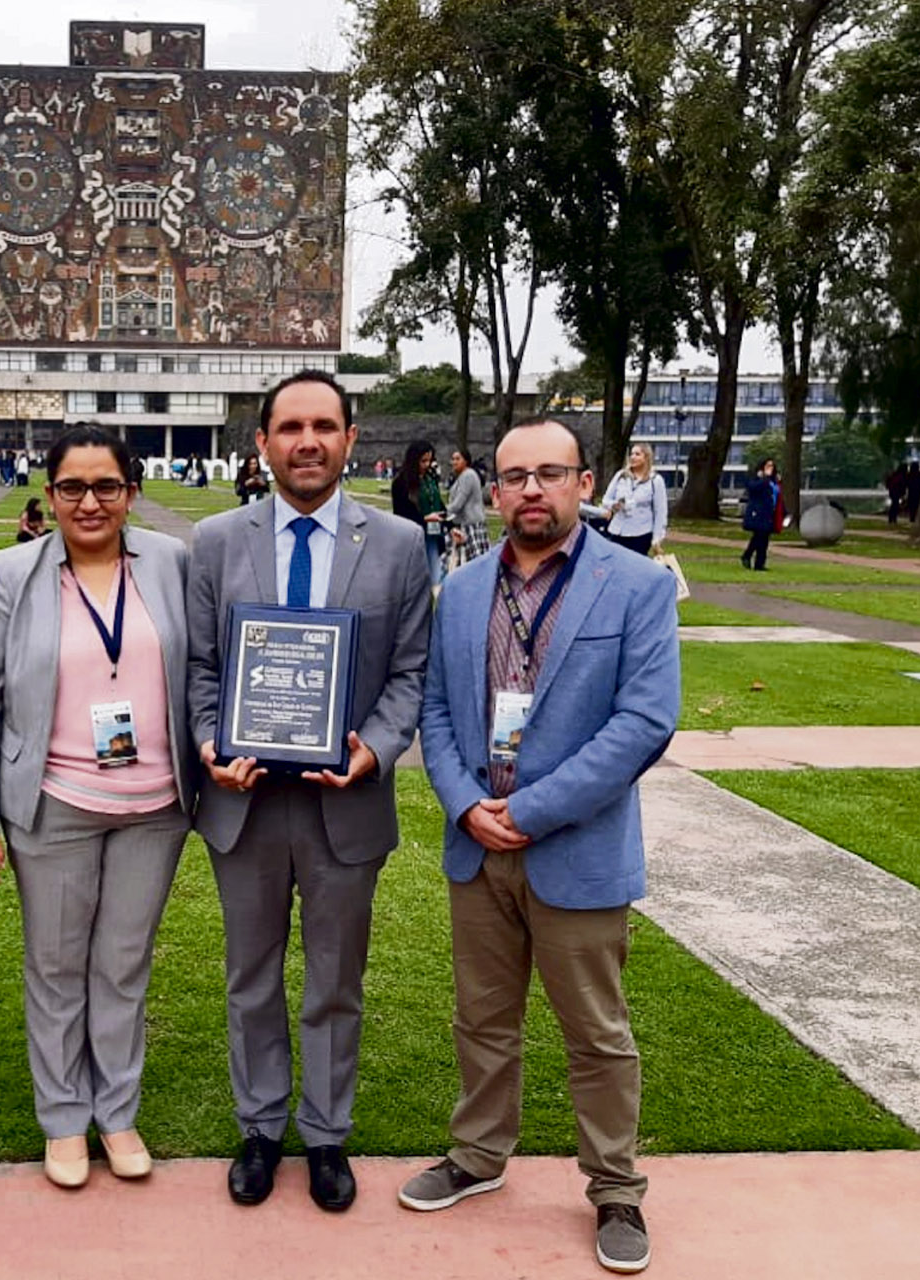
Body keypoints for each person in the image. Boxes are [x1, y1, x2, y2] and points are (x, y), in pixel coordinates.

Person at [404, 416, 678, 1275]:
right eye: (515, 475)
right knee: (482, 1018)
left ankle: (615, 1188)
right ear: (494, 491)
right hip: (478, 844)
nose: (531, 489)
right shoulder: (464, 590)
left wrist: (534, 809)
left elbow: (642, 724)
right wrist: (463, 803)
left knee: (596, 1031)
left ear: (584, 486)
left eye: (550, 474)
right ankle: (479, 1155)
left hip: (575, 846)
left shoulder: (635, 587)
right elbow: (438, 713)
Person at [187, 370, 432, 1212]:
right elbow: (200, 667)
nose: (307, 442)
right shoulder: (215, 540)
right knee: (249, 975)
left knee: (335, 979)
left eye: (324, 426)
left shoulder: (398, 544)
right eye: (290, 427)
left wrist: (381, 747)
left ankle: (326, 1134)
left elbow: (410, 671)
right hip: (244, 800)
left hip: (347, 800)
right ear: (262, 442)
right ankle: (260, 1128)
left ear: (350, 439)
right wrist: (210, 742)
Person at [0, 425, 196, 1189]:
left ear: (131, 491)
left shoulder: (172, 562)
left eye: (106, 487)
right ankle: (64, 1119)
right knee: (57, 968)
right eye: (72, 488)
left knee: (123, 966)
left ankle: (116, 1114)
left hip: (156, 804)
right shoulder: (13, 572)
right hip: (53, 802)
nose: (89, 503)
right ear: (50, 493)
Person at [391, 439, 448, 587]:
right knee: (415, 581)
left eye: (429, 460)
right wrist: (424, 519)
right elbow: (400, 514)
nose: (427, 465)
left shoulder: (430, 478)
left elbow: (439, 503)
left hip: (432, 534)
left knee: (435, 578)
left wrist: (451, 525)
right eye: (423, 461)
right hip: (413, 537)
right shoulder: (401, 483)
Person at [597, 443, 668, 557]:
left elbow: (660, 512)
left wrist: (657, 538)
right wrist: (615, 505)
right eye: (631, 454)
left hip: (641, 533)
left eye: (637, 454)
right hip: (617, 531)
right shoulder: (621, 475)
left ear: (646, 457)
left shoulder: (655, 480)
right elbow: (606, 500)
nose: (633, 457)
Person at [446, 447, 488, 566]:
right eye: (453, 459)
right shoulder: (461, 476)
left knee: (473, 563)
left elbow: (459, 503)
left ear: (466, 461)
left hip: (471, 526)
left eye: (458, 459)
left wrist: (443, 512)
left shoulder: (468, 475)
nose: (454, 462)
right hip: (463, 524)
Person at [741, 458, 781, 571]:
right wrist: (765, 478)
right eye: (768, 466)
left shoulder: (773, 482)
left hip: (769, 513)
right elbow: (753, 488)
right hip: (758, 512)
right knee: (759, 536)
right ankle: (747, 555)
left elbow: (777, 496)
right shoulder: (758, 479)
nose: (770, 468)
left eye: (772, 466)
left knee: (764, 539)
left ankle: (759, 563)